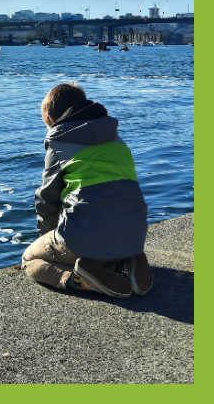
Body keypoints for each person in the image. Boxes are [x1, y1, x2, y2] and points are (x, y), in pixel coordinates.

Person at [21, 82, 153, 299]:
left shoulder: (58, 142)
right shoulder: (115, 138)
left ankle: (78, 279)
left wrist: (50, 241)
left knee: (29, 260)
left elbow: (46, 200)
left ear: (50, 119)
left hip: (86, 236)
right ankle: (131, 258)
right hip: (135, 232)